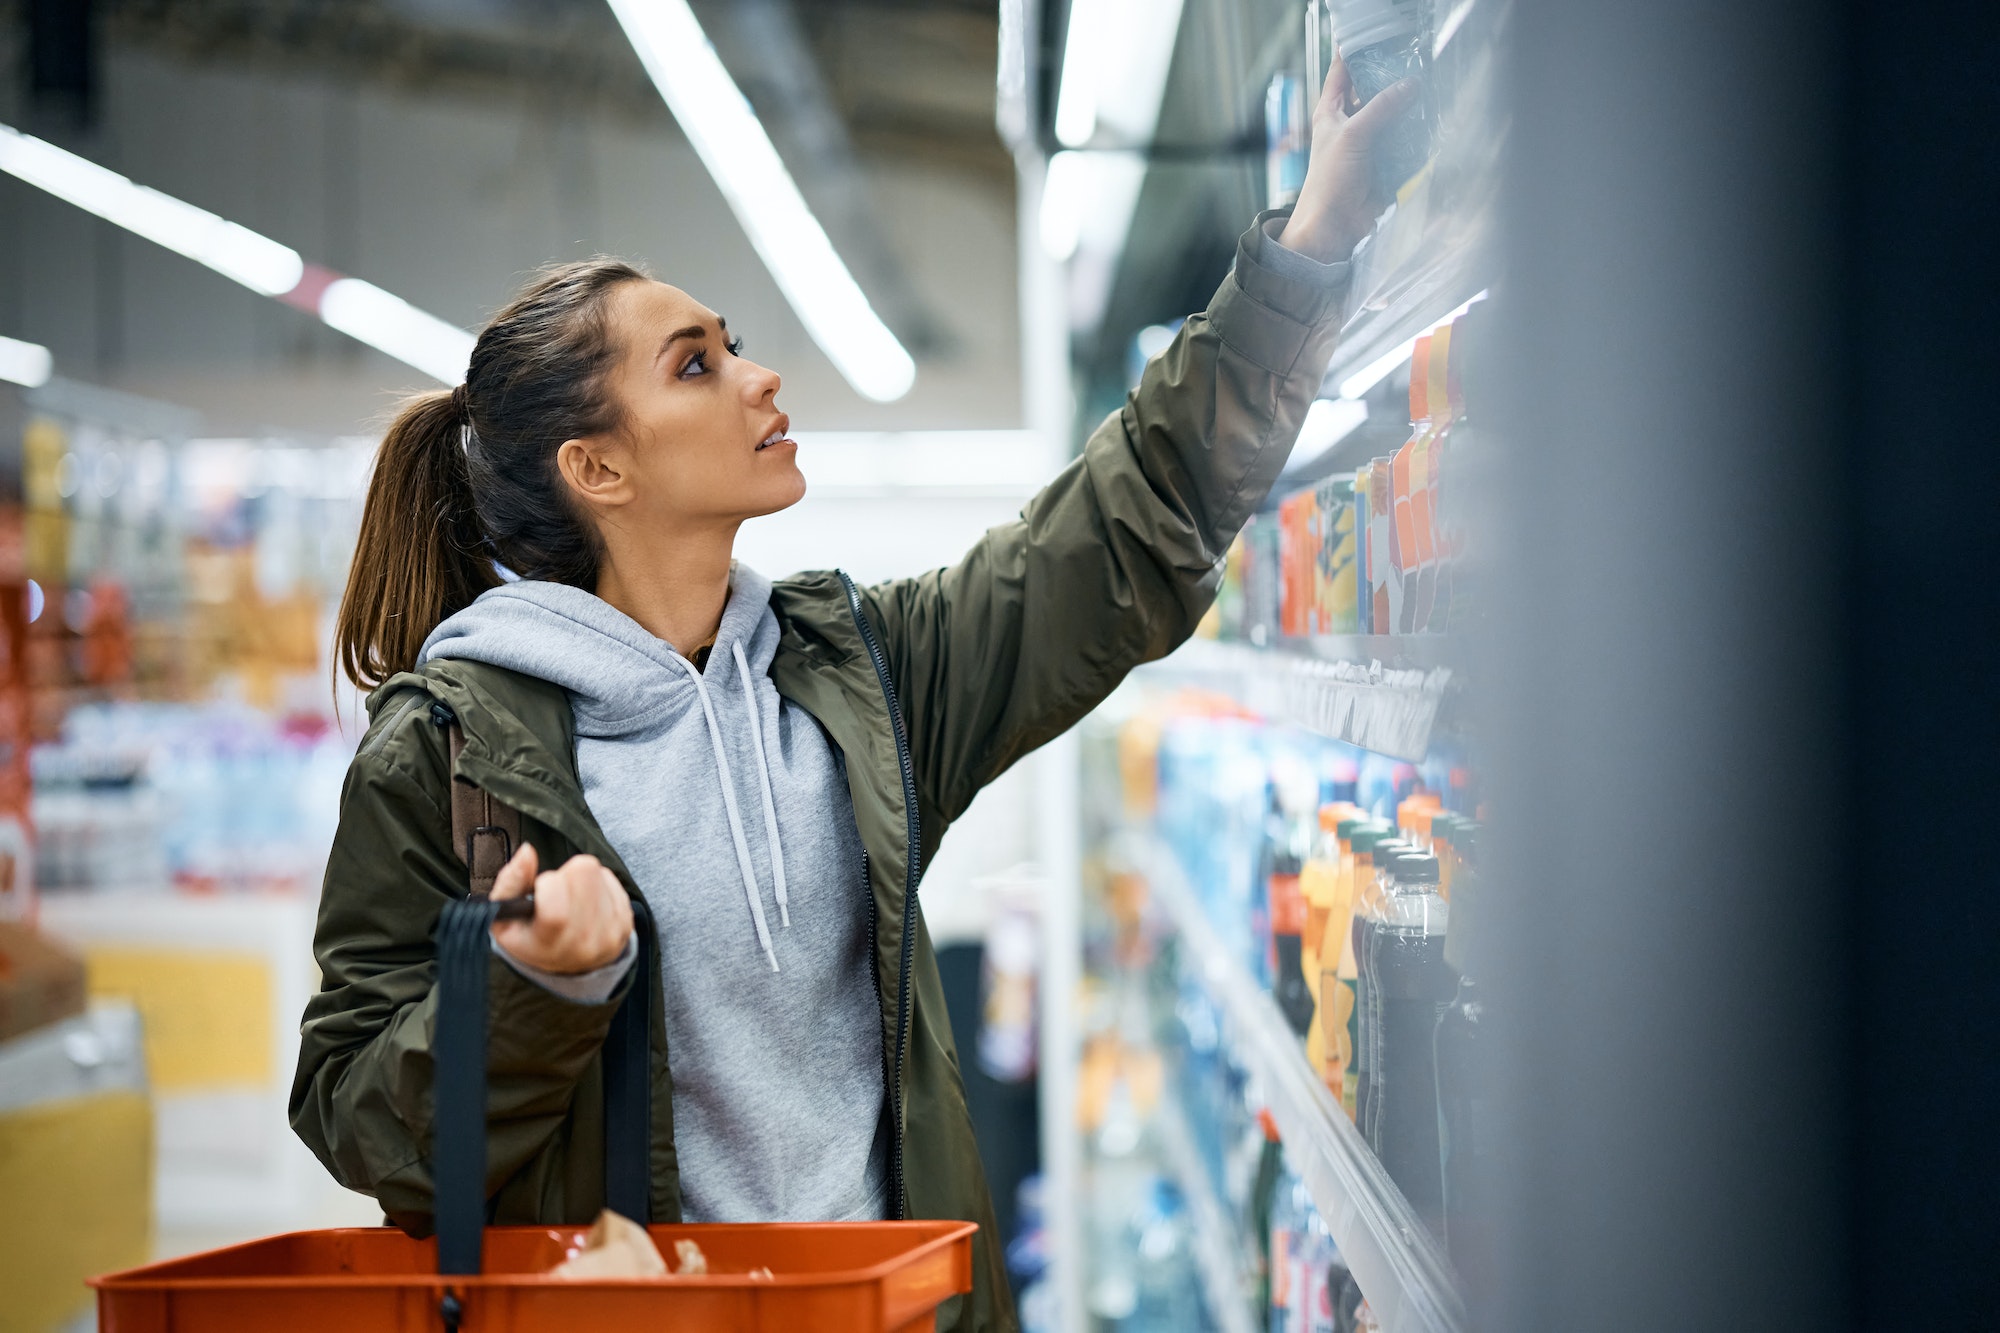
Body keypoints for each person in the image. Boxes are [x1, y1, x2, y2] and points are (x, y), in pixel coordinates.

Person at [290, 59, 1414, 1333]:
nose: (760, 377)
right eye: (697, 365)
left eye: (735, 347)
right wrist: (531, 988)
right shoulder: (450, 756)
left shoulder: (853, 676)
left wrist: (1313, 237)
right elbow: (354, 1115)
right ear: (597, 465)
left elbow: (1120, 525)